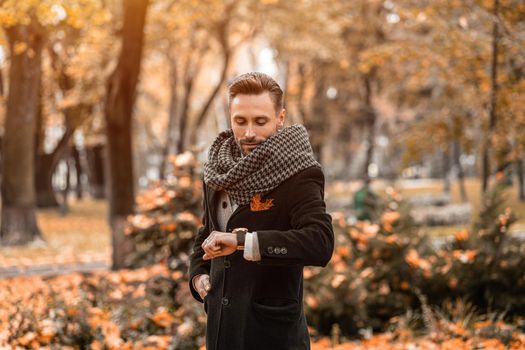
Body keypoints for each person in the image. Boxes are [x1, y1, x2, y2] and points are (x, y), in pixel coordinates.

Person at [188, 72, 334, 350]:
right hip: (221, 332)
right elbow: (206, 231)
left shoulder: (300, 173)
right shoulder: (217, 171)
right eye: (240, 121)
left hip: (271, 336)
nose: (249, 133)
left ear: (280, 118)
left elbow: (320, 242)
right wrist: (198, 276)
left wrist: (243, 241)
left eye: (260, 121)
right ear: (230, 117)